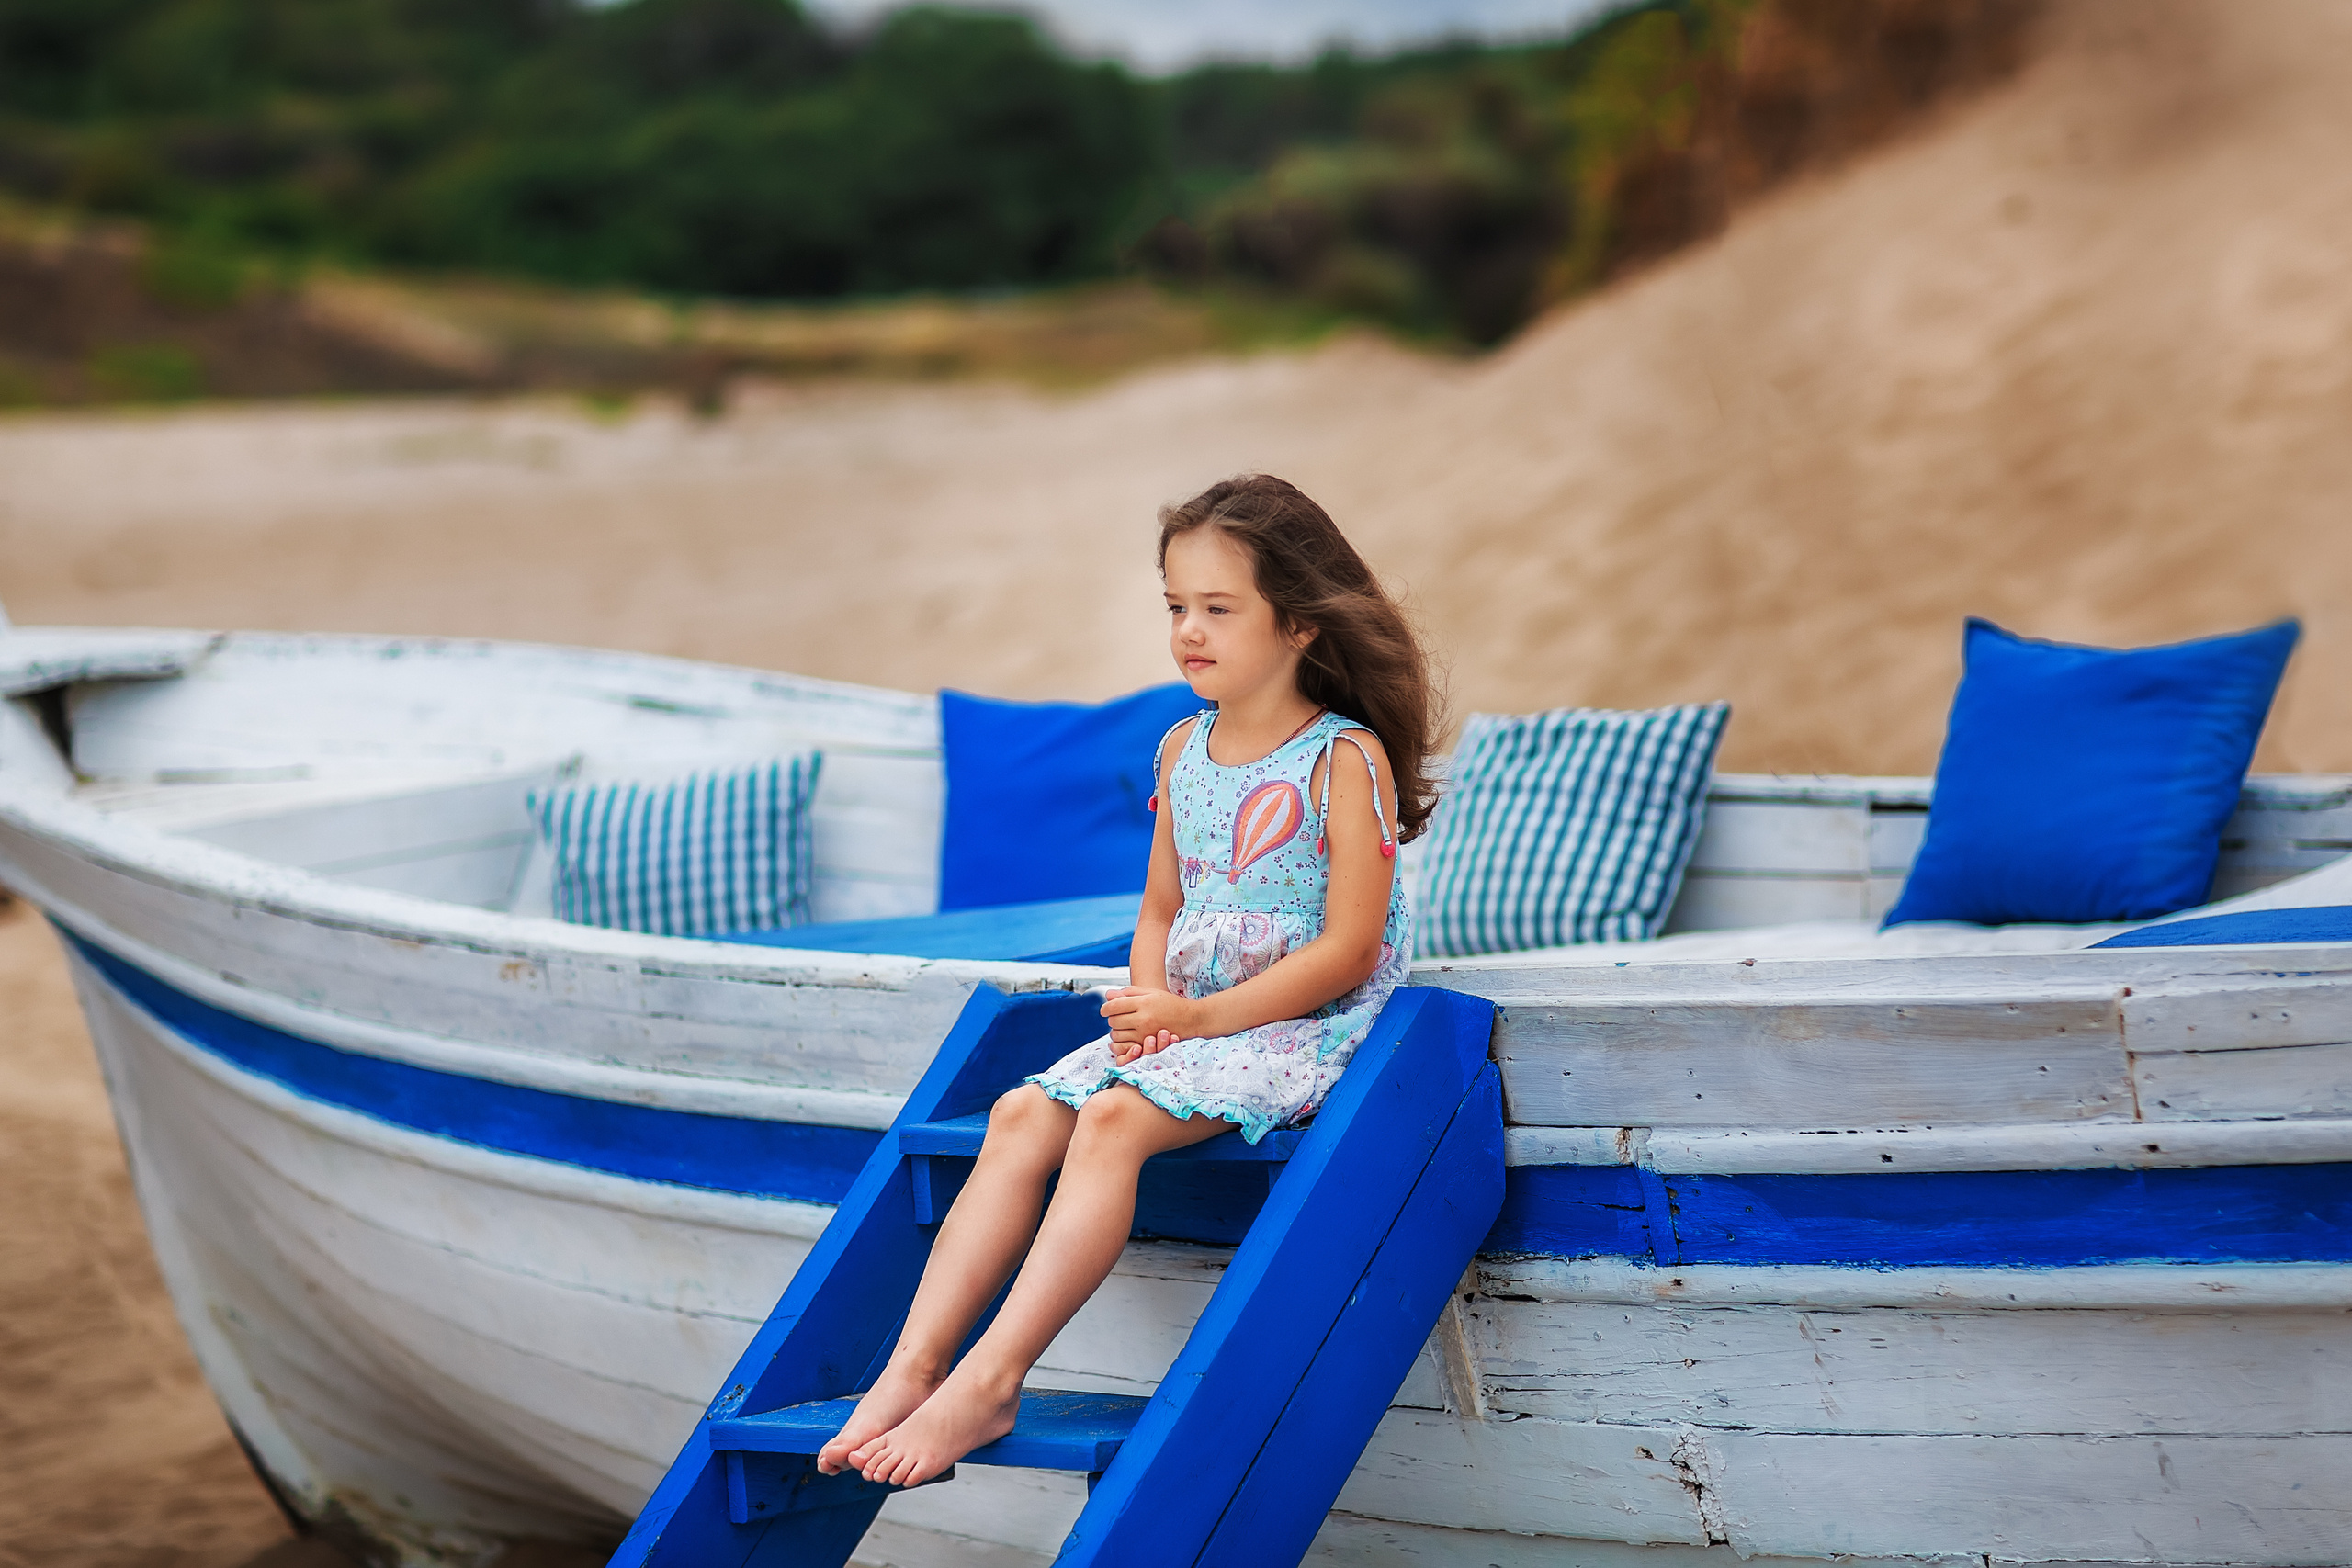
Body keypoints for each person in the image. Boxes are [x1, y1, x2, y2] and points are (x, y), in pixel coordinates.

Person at [818, 473, 1440, 1488]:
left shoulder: (1343, 757)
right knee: (1021, 1113)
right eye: (1175, 608)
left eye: (1218, 609)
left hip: (1300, 1026)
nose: (1188, 632)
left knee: (1108, 1124)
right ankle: (911, 1368)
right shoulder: (1180, 748)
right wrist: (1152, 1009)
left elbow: (1349, 950)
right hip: (1187, 1025)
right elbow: (1159, 908)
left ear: (1300, 625)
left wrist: (1196, 1015)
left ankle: (993, 1379)